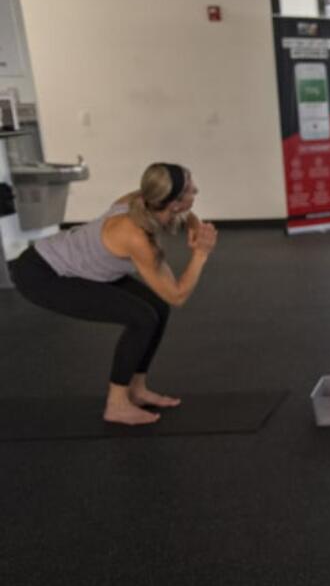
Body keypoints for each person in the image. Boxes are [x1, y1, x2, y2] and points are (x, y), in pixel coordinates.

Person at [8, 162, 218, 426]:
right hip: (44, 275)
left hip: (80, 267)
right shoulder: (136, 236)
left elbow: (183, 214)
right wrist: (201, 253)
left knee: (157, 308)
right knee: (141, 318)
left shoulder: (143, 199)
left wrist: (195, 225)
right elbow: (177, 295)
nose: (196, 190)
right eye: (189, 189)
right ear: (173, 203)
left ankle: (137, 389)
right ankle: (116, 405)